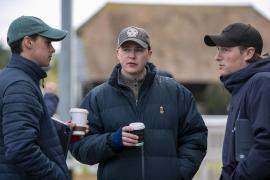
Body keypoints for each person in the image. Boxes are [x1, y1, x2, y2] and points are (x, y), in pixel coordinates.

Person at [70, 26, 208, 180]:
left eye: (139, 50)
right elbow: (80, 148)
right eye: (126, 49)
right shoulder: (97, 97)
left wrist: (179, 174)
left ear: (149, 54)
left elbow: (196, 137)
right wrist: (113, 140)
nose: (132, 55)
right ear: (118, 53)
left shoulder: (176, 92)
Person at [0, 16, 70, 179]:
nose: (52, 49)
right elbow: (20, 148)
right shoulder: (20, 85)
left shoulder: (12, 78)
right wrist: (57, 176)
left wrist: (61, 130)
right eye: (48, 42)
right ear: (28, 42)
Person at [204, 22, 270, 179]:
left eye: (225, 50)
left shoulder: (262, 82)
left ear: (248, 53)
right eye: (218, 49)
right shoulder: (241, 86)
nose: (217, 57)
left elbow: (266, 146)